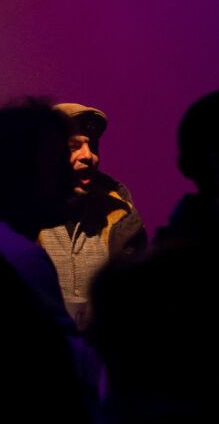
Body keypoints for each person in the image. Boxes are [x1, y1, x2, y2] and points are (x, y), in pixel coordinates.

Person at [37, 102, 146, 329]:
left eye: (92, 146)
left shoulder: (119, 215)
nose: (88, 155)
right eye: (74, 146)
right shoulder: (20, 220)